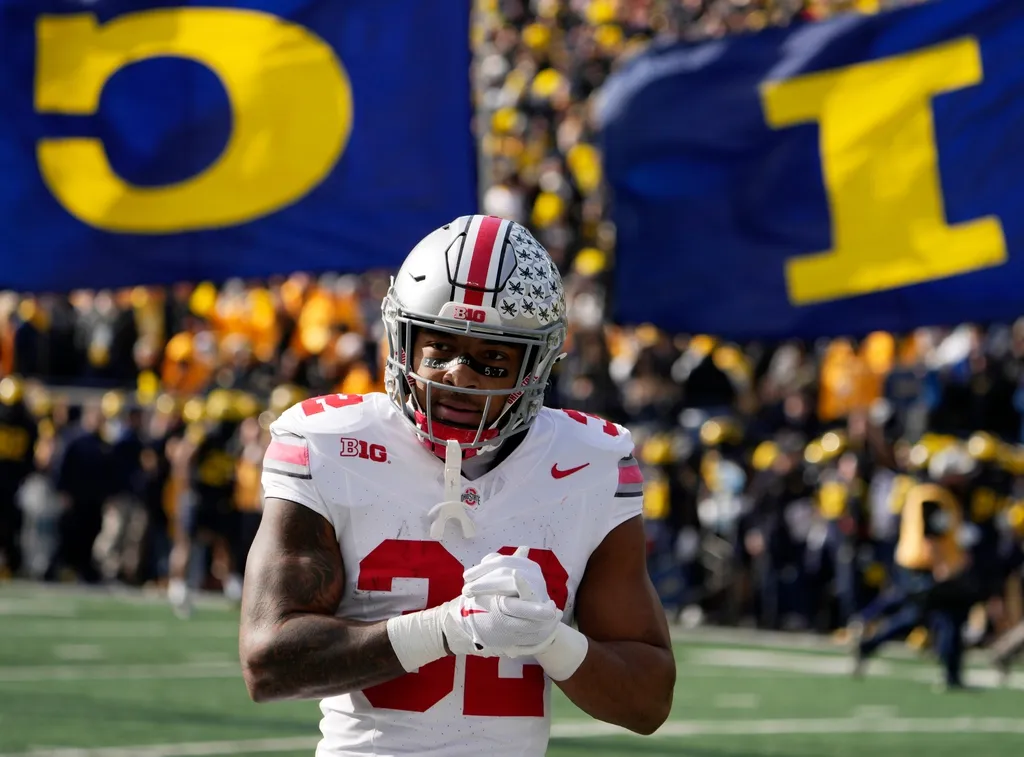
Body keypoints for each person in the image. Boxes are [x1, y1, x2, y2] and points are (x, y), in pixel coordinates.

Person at [239, 215, 676, 755]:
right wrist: (446, 629)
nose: (459, 374)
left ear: (537, 364)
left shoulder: (590, 461)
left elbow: (648, 701)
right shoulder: (331, 443)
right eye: (439, 348)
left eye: (492, 358)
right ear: (402, 340)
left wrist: (550, 639)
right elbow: (268, 663)